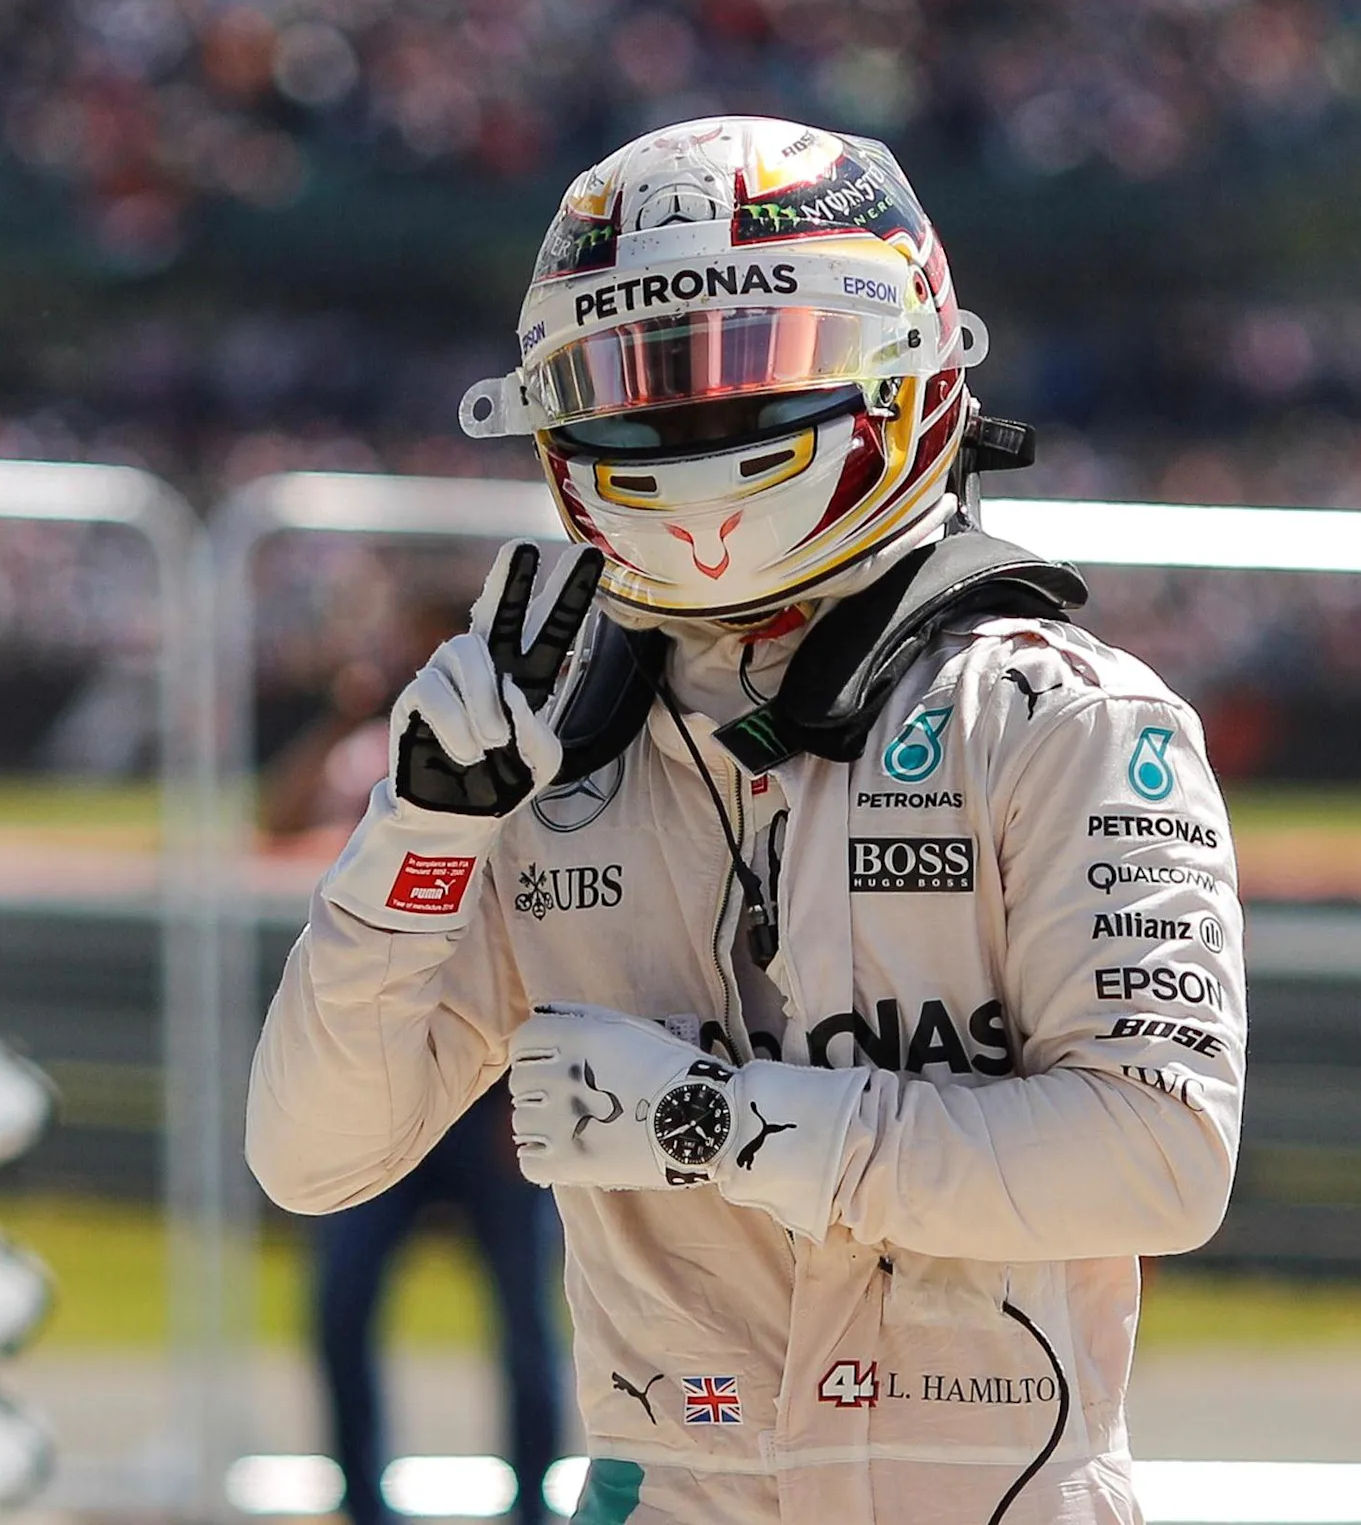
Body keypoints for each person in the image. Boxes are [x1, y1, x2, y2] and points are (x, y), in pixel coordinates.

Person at [249, 117, 1246, 1525]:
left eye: (741, 376)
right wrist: (419, 835)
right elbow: (310, 1155)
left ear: (903, 365)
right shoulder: (538, 747)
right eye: (631, 383)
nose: (687, 429)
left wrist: (720, 1126)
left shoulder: (1058, 716)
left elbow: (1163, 1159)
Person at [264, 637, 564, 1525]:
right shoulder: (362, 756)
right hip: (378, 1080)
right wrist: (340, 715)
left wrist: (525, 1098)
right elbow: (276, 818)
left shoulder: (526, 769)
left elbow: (544, 934)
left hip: (487, 1090)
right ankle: (362, 1501)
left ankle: (536, 1503)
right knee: (343, 1304)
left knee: (525, 1319)